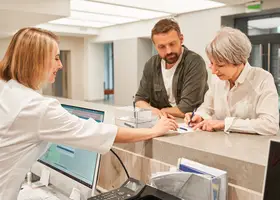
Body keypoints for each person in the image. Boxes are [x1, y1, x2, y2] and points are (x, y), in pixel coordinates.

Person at [0, 28, 178, 200]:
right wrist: (154, 131)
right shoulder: (36, 107)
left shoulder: (9, 92)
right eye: (55, 58)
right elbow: (97, 132)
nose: (60, 65)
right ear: (36, 60)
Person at [184, 27, 279, 135]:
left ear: (239, 61)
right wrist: (199, 116)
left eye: (220, 65)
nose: (214, 71)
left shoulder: (263, 79)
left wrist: (225, 124)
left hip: (251, 148)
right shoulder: (217, 80)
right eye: (211, 63)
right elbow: (207, 108)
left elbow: (270, 125)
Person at [135, 18, 208, 118]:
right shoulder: (151, 64)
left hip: (190, 125)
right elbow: (139, 100)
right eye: (162, 47)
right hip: (162, 124)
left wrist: (159, 111)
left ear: (181, 39)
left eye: (172, 44)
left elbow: (186, 109)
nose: (168, 51)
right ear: (155, 46)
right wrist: (153, 110)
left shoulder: (194, 62)